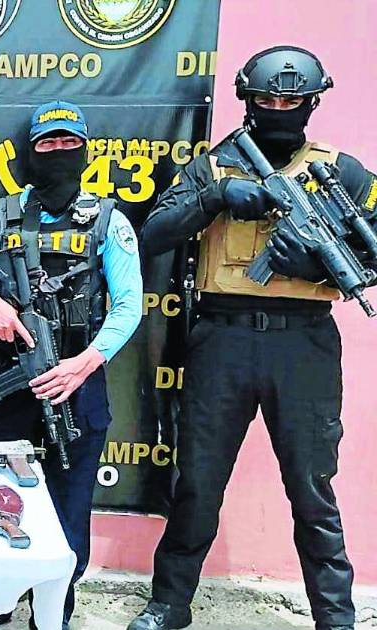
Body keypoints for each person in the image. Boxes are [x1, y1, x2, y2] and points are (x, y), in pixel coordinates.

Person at [128, 47, 376, 630]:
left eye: (293, 101)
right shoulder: (213, 167)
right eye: (268, 99)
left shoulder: (342, 172)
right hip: (223, 339)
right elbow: (152, 234)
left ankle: (335, 616)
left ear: (313, 103)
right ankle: (169, 604)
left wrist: (316, 268)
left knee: (312, 489)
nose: (280, 110)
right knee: (198, 483)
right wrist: (215, 199)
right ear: (248, 100)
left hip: (304, 343)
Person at [0, 101, 143, 630]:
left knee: (69, 503)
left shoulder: (108, 221)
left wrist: (85, 363)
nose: (58, 151)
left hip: (77, 382)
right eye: (47, 143)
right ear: (29, 151)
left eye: (68, 143)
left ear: (84, 150)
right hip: (10, 379)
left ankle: (55, 610)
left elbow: (129, 305)